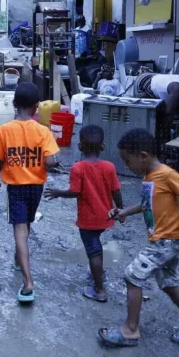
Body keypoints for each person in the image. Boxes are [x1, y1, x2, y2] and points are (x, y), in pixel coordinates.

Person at [98, 128, 179, 348]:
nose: (126, 166)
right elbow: (147, 204)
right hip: (165, 240)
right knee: (168, 283)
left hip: (165, 241)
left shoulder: (166, 174)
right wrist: (124, 212)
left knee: (132, 275)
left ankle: (130, 330)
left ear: (142, 156)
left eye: (127, 160)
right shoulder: (149, 177)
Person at [0, 82, 60, 303]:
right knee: (26, 223)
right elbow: (50, 161)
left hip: (16, 187)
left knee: (19, 230)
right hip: (36, 187)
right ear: (36, 107)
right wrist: (48, 162)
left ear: (14, 104)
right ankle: (18, 260)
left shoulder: (4, 130)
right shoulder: (43, 131)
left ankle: (28, 282)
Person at [44, 125, 123, 302]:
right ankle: (99, 274)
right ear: (103, 146)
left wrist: (58, 192)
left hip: (88, 219)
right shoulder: (109, 167)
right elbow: (116, 191)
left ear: (79, 146)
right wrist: (121, 210)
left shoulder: (78, 168)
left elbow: (75, 192)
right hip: (106, 216)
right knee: (96, 246)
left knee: (93, 251)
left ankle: (99, 290)